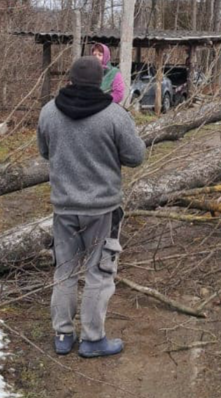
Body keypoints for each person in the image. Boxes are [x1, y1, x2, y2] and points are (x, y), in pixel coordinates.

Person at [37, 57, 145, 358]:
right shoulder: (115, 115)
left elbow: (44, 151)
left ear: (69, 79)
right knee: (99, 273)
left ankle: (62, 334)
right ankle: (93, 339)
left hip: (64, 207)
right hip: (102, 210)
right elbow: (136, 157)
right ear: (102, 81)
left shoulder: (48, 111)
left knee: (65, 271)